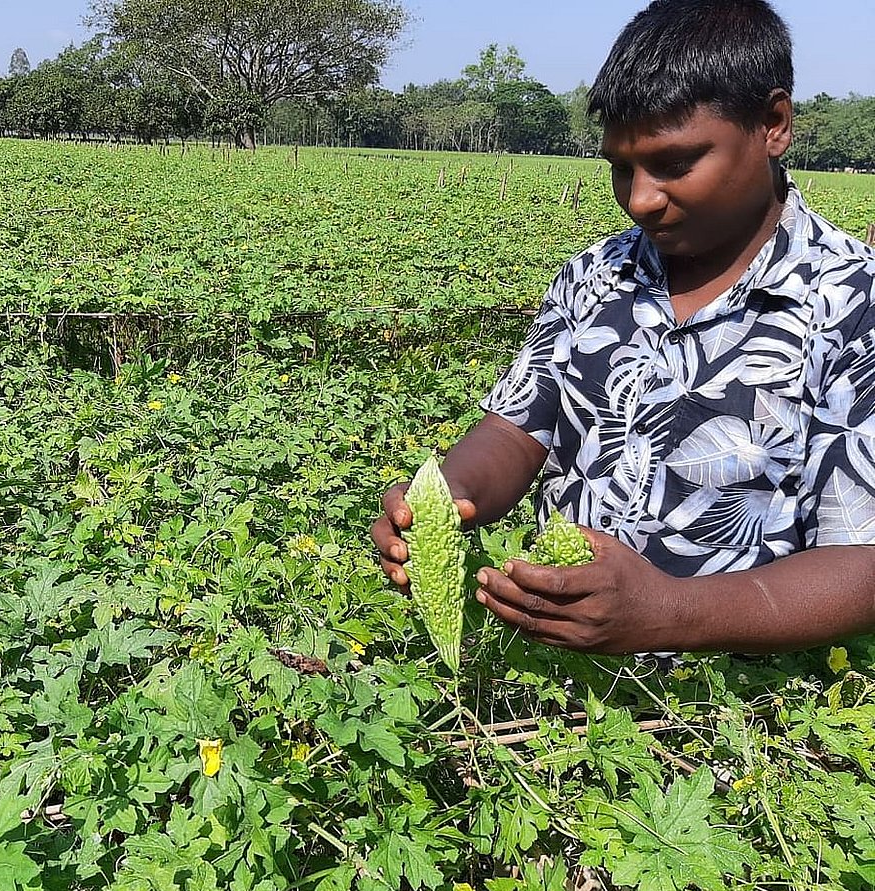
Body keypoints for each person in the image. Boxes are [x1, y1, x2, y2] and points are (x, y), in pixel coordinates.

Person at [371, 0, 875, 656]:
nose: (640, 198)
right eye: (620, 166)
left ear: (772, 124)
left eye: (674, 162)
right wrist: (447, 495)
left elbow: (864, 564)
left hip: (732, 711)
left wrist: (671, 614)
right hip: (558, 677)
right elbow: (516, 427)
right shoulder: (595, 275)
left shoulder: (853, 305)